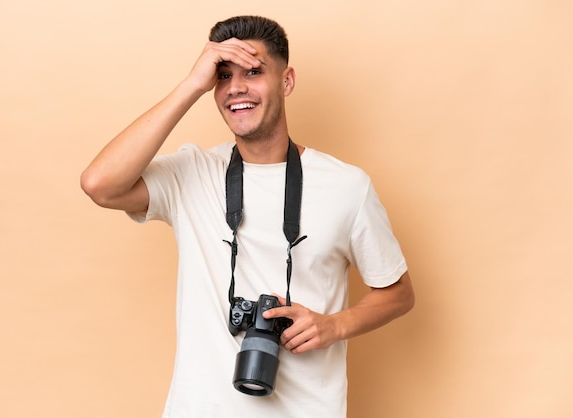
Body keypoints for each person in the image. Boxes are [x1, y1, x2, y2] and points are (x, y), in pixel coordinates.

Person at [81, 15, 414, 418]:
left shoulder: (347, 186)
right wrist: (191, 85)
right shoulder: (193, 172)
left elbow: (398, 293)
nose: (236, 88)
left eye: (254, 72)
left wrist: (334, 326)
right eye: (223, 75)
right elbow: (100, 184)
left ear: (287, 81)